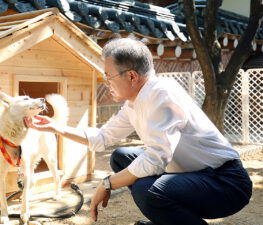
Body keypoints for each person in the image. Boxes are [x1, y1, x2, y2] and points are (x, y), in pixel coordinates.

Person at [24, 37, 252, 225]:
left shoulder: (161, 94)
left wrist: (107, 183)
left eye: (109, 76)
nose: (106, 83)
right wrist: (56, 127)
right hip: (194, 173)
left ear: (132, 76)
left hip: (226, 183)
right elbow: (102, 138)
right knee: (122, 157)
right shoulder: (134, 101)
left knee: (147, 190)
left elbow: (155, 160)